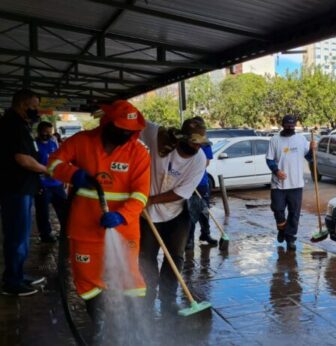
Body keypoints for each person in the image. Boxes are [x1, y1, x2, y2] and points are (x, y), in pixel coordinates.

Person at [47, 100, 150, 326]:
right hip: (84, 227)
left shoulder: (138, 153)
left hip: (123, 228)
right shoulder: (82, 141)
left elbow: (141, 194)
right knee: (86, 276)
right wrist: (72, 174)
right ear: (108, 123)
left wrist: (122, 215)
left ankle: (132, 323)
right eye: (121, 128)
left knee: (129, 277)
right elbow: (53, 163)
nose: (125, 134)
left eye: (130, 131)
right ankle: (99, 320)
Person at [139, 117, 207, 310]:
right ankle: (147, 297)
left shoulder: (199, 159)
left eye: (199, 143)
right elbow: (138, 121)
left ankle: (168, 299)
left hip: (176, 213)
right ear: (181, 138)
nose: (196, 148)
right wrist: (113, 111)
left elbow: (180, 193)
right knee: (146, 257)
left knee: (175, 257)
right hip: (148, 215)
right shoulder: (159, 137)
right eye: (193, 142)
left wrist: (151, 199)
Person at [0, 89, 47, 296]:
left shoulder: (21, 125)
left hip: (22, 189)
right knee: (17, 236)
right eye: (34, 106)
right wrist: (48, 170)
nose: (37, 111)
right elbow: (22, 159)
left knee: (21, 235)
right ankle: (12, 282)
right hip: (15, 189)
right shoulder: (13, 126)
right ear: (22, 105)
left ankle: (17, 273)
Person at [266, 115, 314, 251]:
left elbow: (310, 158)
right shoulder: (275, 140)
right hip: (278, 185)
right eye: (287, 125)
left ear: (295, 126)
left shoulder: (301, 139)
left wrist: (312, 150)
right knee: (278, 210)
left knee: (294, 213)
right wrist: (276, 171)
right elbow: (269, 160)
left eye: (292, 126)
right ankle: (282, 229)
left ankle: (291, 237)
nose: (290, 128)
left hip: (296, 184)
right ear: (283, 125)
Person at [34, 121, 67, 243]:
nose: (47, 134)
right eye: (45, 132)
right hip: (42, 184)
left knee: (63, 210)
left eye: (50, 132)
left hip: (57, 183)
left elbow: (60, 160)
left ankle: (66, 232)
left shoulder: (54, 143)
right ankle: (45, 235)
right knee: (43, 212)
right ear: (39, 131)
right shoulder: (34, 145)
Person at [186, 117, 217, 250]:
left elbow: (207, 162)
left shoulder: (205, 144)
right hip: (187, 183)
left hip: (202, 182)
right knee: (191, 211)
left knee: (204, 210)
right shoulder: (185, 142)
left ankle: (205, 234)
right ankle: (189, 240)